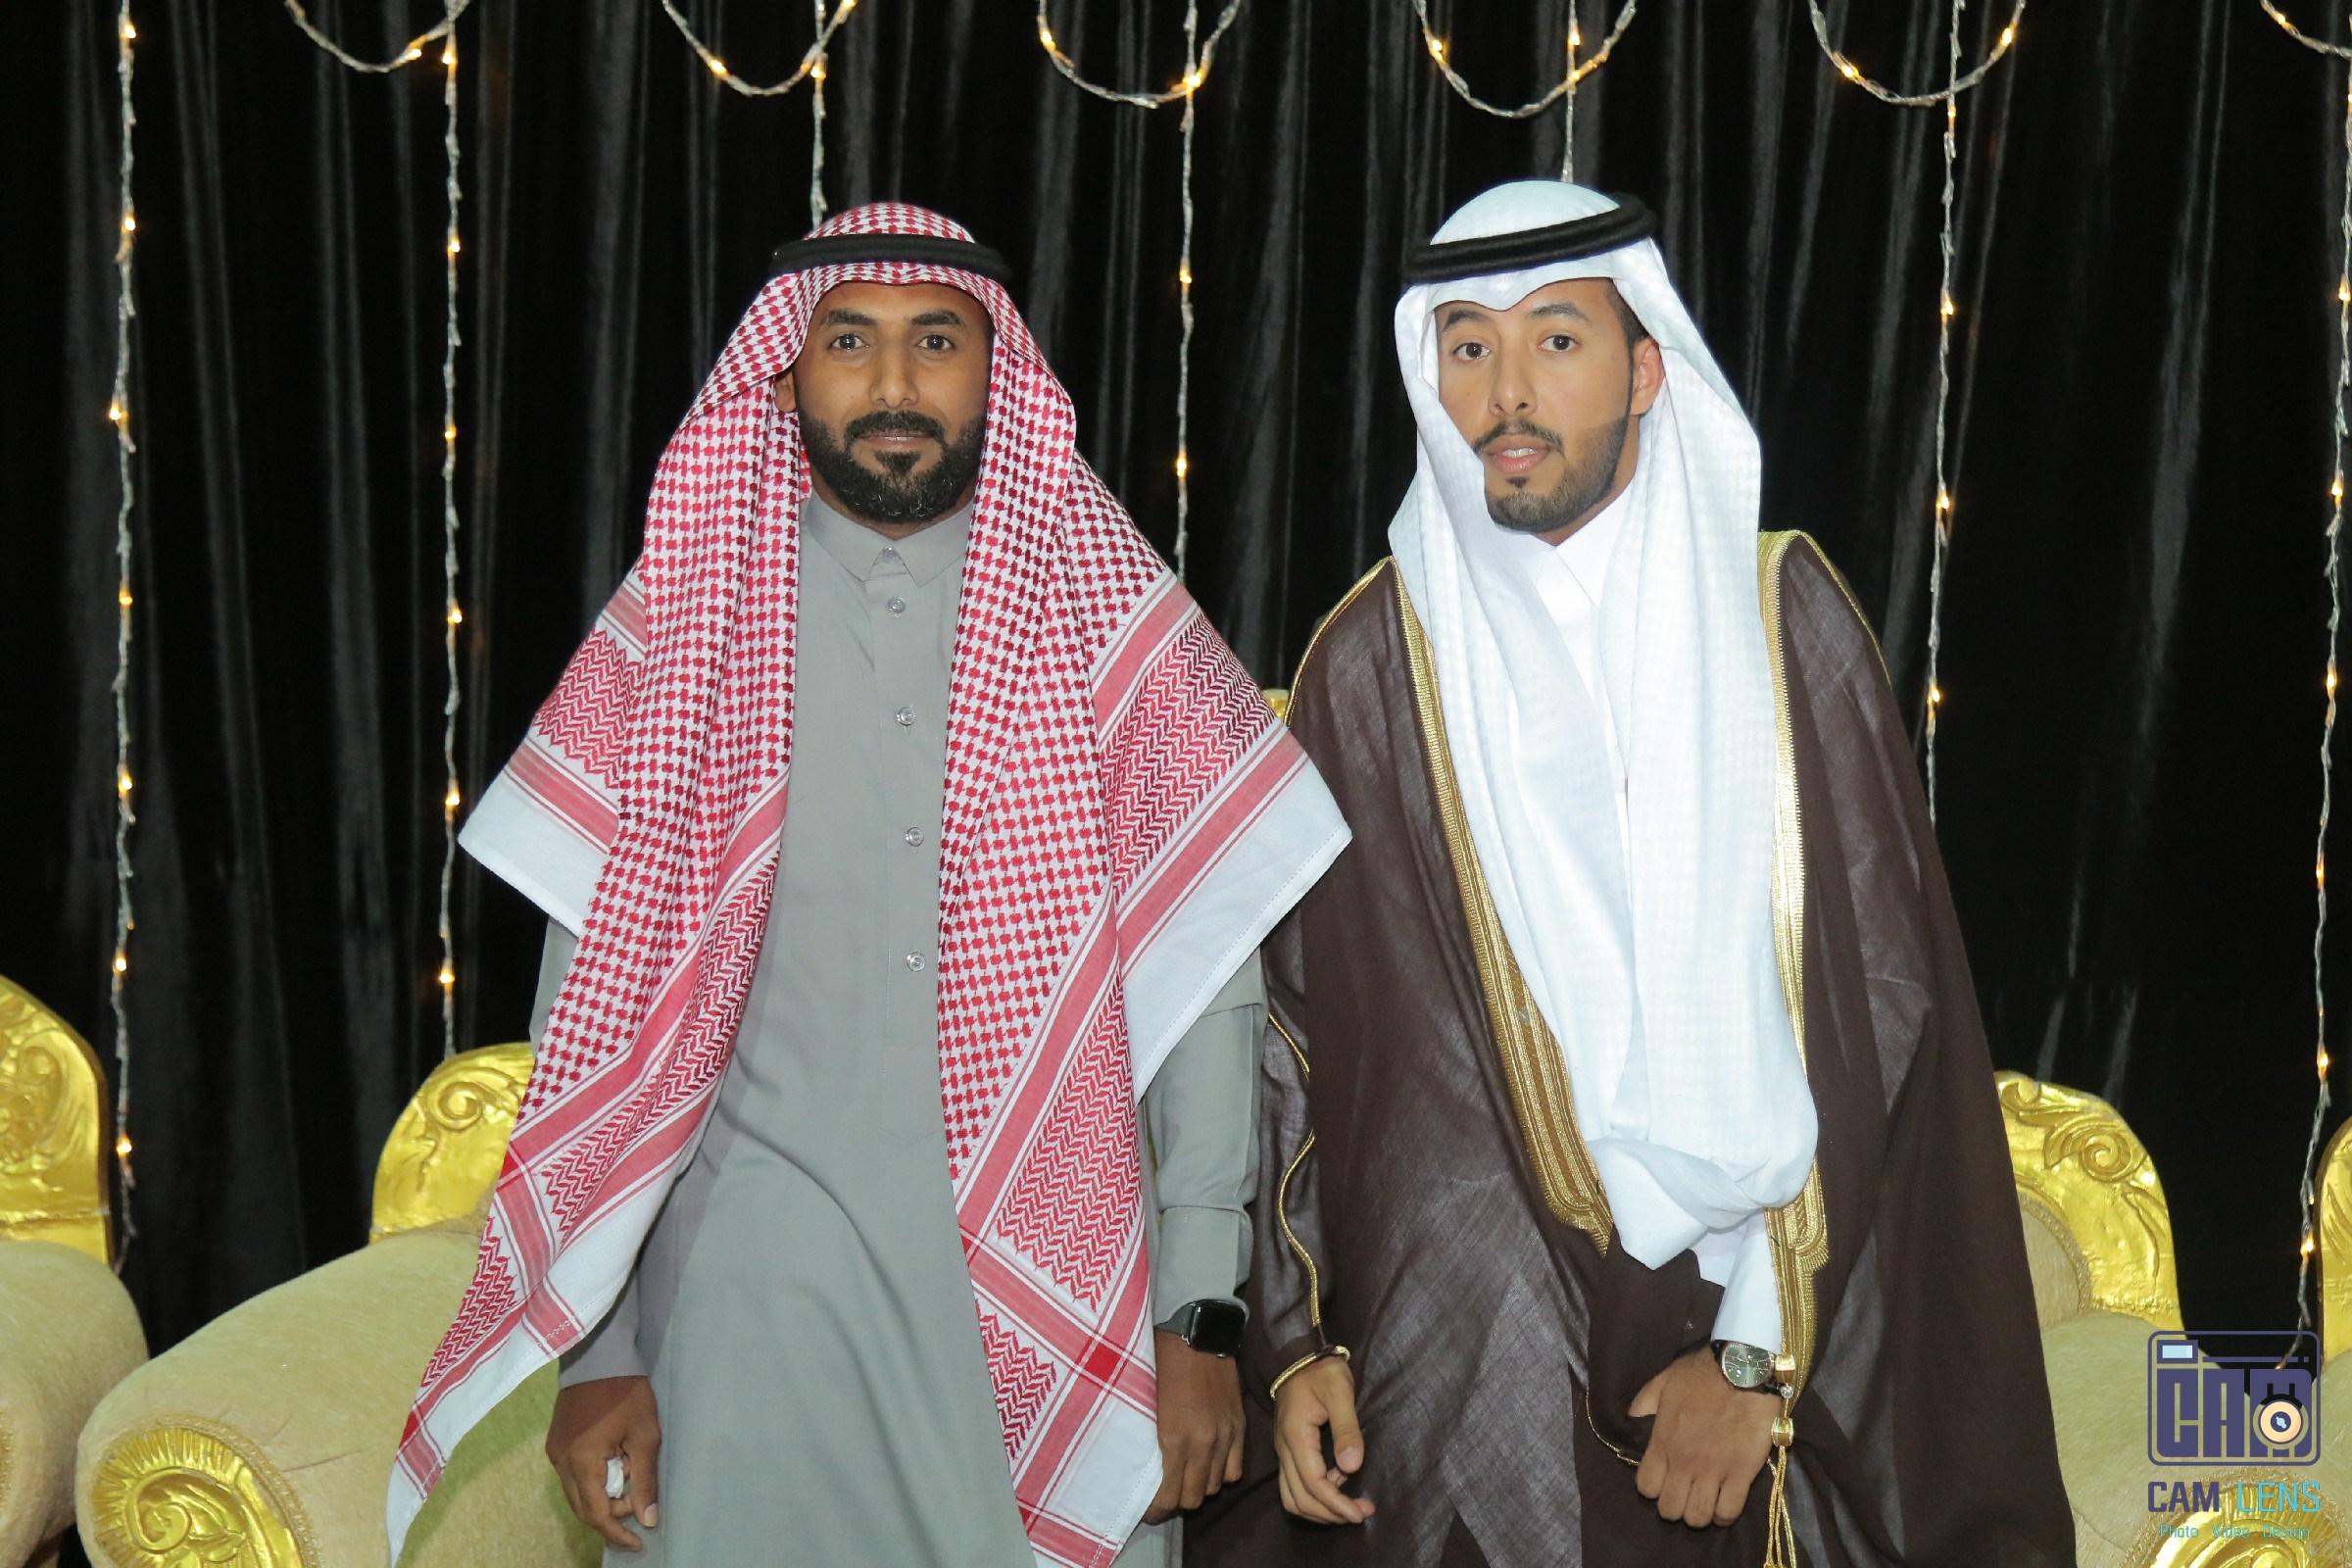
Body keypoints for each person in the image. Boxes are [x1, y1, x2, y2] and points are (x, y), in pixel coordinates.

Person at [386, 203, 1349, 1568]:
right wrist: (599, 1349)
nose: (894, 384)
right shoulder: (681, 631)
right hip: (746, 1314)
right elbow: (591, 1020)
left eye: (936, 342)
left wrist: (1199, 1316)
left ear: (996, 371)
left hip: (1064, 1302)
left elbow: (1209, 1000)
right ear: (786, 375)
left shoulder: (1114, 625)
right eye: (850, 342)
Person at [1189, 182, 2074, 1568]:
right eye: (1469, 347)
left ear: (1647, 369)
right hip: (1476, 1361)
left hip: (1770, 1326)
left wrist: (1757, 1360)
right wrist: (1298, 1342)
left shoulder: (1781, 623)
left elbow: (1881, 1019)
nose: (1507, 393)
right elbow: (1295, 1038)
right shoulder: (1370, 669)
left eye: (1557, 340)